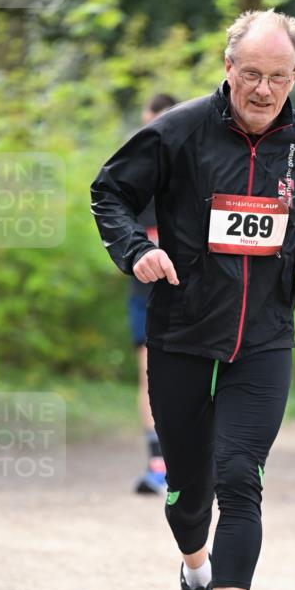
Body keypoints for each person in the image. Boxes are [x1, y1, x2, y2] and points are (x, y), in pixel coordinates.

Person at [91, 8, 295, 590]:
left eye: (278, 77)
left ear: (294, 76)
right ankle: (195, 575)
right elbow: (109, 191)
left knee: (239, 475)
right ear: (228, 68)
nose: (263, 89)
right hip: (183, 336)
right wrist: (136, 249)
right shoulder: (176, 132)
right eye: (251, 74)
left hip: (264, 339)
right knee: (187, 489)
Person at [128, 93, 178, 495]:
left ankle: (190, 462)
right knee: (149, 375)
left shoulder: (196, 163)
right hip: (144, 293)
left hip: (194, 293)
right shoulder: (136, 167)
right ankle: (157, 464)